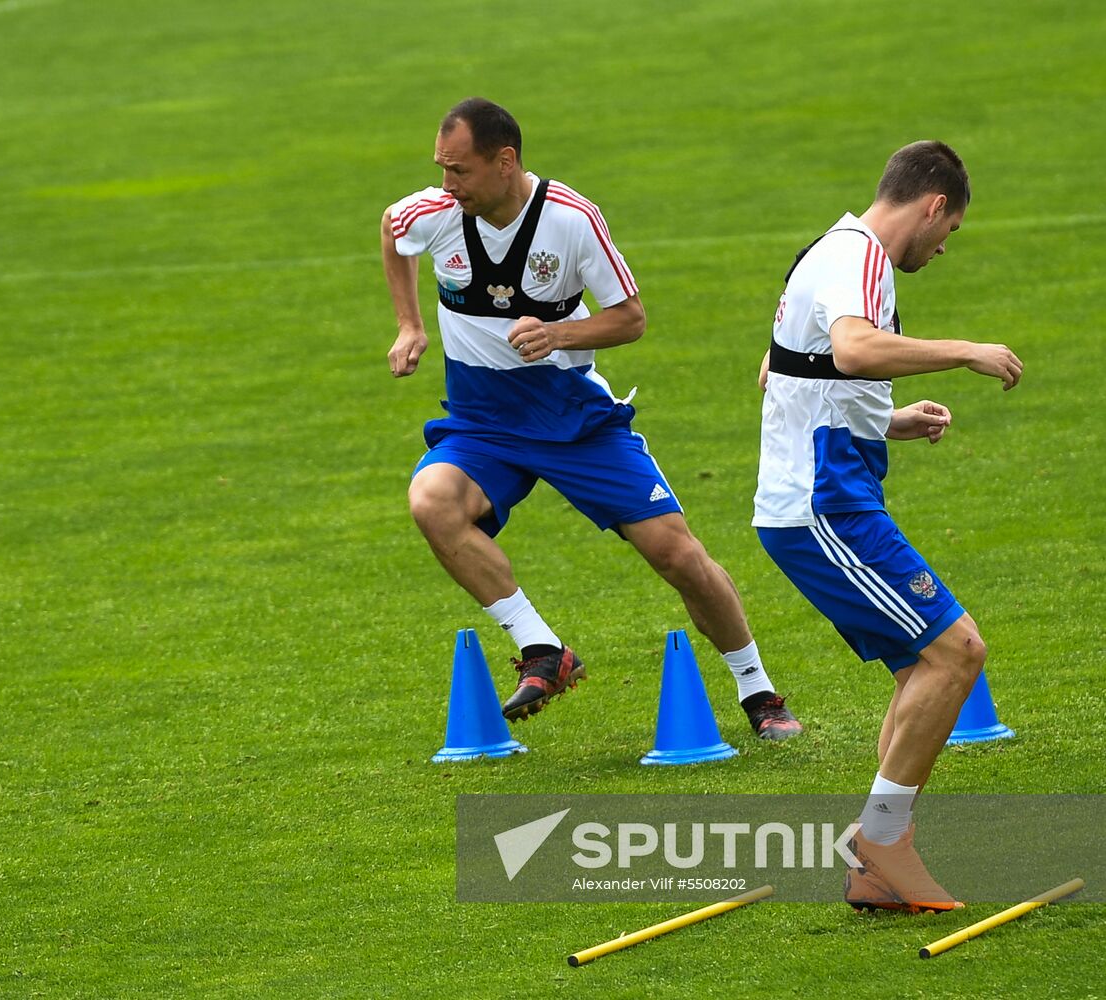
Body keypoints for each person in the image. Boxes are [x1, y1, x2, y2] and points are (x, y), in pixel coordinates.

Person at [381, 96, 800, 739]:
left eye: (459, 170)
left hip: (572, 418)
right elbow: (393, 232)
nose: (446, 184)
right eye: (441, 167)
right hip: (482, 423)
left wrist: (559, 333)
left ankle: (759, 690)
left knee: (677, 554)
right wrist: (410, 324)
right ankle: (544, 650)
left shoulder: (572, 220)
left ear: (505, 161)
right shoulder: (435, 213)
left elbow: (630, 318)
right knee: (430, 502)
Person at [753, 141, 1023, 911]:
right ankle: (880, 839)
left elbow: (784, 371)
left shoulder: (825, 253)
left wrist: (885, 421)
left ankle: (873, 868)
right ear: (932, 205)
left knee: (921, 672)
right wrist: (964, 350)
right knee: (956, 652)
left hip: (820, 495)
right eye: (950, 232)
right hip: (823, 506)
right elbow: (852, 348)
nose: (941, 249)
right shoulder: (860, 256)